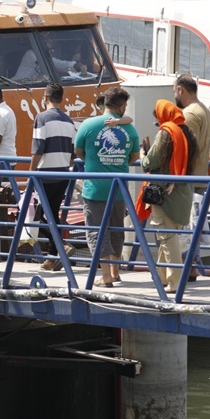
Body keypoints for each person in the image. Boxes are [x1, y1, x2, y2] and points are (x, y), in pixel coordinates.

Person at [74, 87, 141, 287]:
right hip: (119, 189)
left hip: (95, 188)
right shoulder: (129, 128)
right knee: (116, 230)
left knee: (96, 230)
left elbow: (78, 150)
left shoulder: (88, 124)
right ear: (121, 107)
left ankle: (105, 277)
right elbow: (134, 158)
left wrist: (93, 160)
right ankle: (115, 271)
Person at [140, 100, 199, 292]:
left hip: (165, 195)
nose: (158, 123)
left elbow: (151, 161)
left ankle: (174, 282)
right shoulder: (187, 133)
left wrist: (143, 155)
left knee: (167, 238)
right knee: (168, 235)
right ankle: (162, 278)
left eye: (158, 119)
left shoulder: (166, 132)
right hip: (183, 191)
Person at [31, 84, 78, 271]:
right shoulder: (69, 121)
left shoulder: (41, 118)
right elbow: (72, 154)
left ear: (45, 97)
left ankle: (61, 245)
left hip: (44, 174)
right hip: (62, 173)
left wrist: (30, 173)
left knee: (35, 216)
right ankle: (52, 257)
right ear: (62, 98)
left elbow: (37, 149)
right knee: (52, 214)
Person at [174, 74, 210, 281]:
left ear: (180, 90)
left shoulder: (189, 114)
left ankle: (187, 266)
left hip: (187, 178)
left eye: (175, 92)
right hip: (200, 176)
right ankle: (193, 265)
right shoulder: (204, 110)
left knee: (185, 225)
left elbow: (185, 146)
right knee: (194, 224)